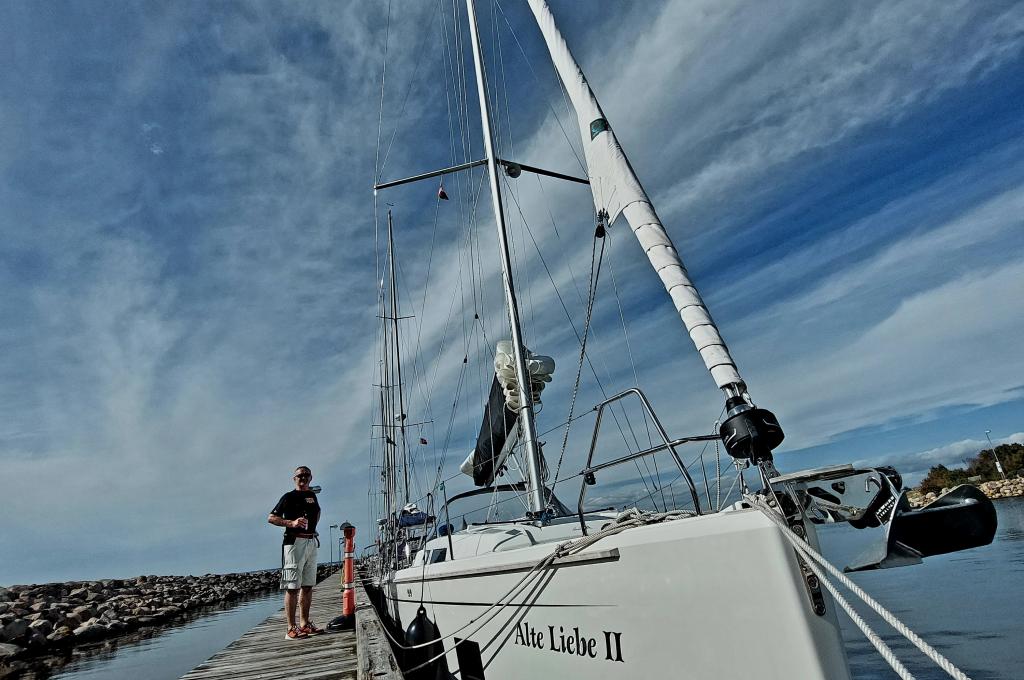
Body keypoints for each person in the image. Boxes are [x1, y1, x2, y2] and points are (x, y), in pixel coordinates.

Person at [268, 465, 324, 640]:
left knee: (307, 586)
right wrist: (291, 523)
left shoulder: (312, 496)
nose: (303, 478)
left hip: (310, 541)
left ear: (311, 478)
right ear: (294, 479)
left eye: (306, 475)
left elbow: (318, 512)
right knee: (292, 587)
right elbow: (271, 517)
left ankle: (304, 624)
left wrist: (313, 529)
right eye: (300, 476)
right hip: (294, 543)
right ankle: (290, 628)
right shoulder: (288, 497)